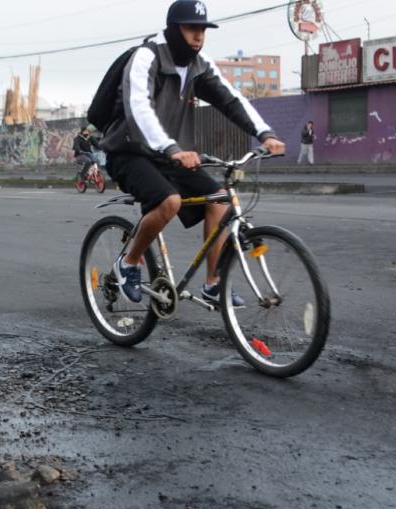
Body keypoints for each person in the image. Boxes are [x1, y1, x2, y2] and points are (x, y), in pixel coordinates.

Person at [101, 0, 285, 307]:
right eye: (191, 29)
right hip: (129, 150)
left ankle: (213, 283)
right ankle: (129, 263)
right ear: (174, 30)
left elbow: (231, 100)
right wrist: (172, 148)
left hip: (169, 155)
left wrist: (264, 133)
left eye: (202, 30)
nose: (198, 37)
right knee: (168, 201)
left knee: (221, 201)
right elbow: (139, 109)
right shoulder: (146, 56)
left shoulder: (200, 64)